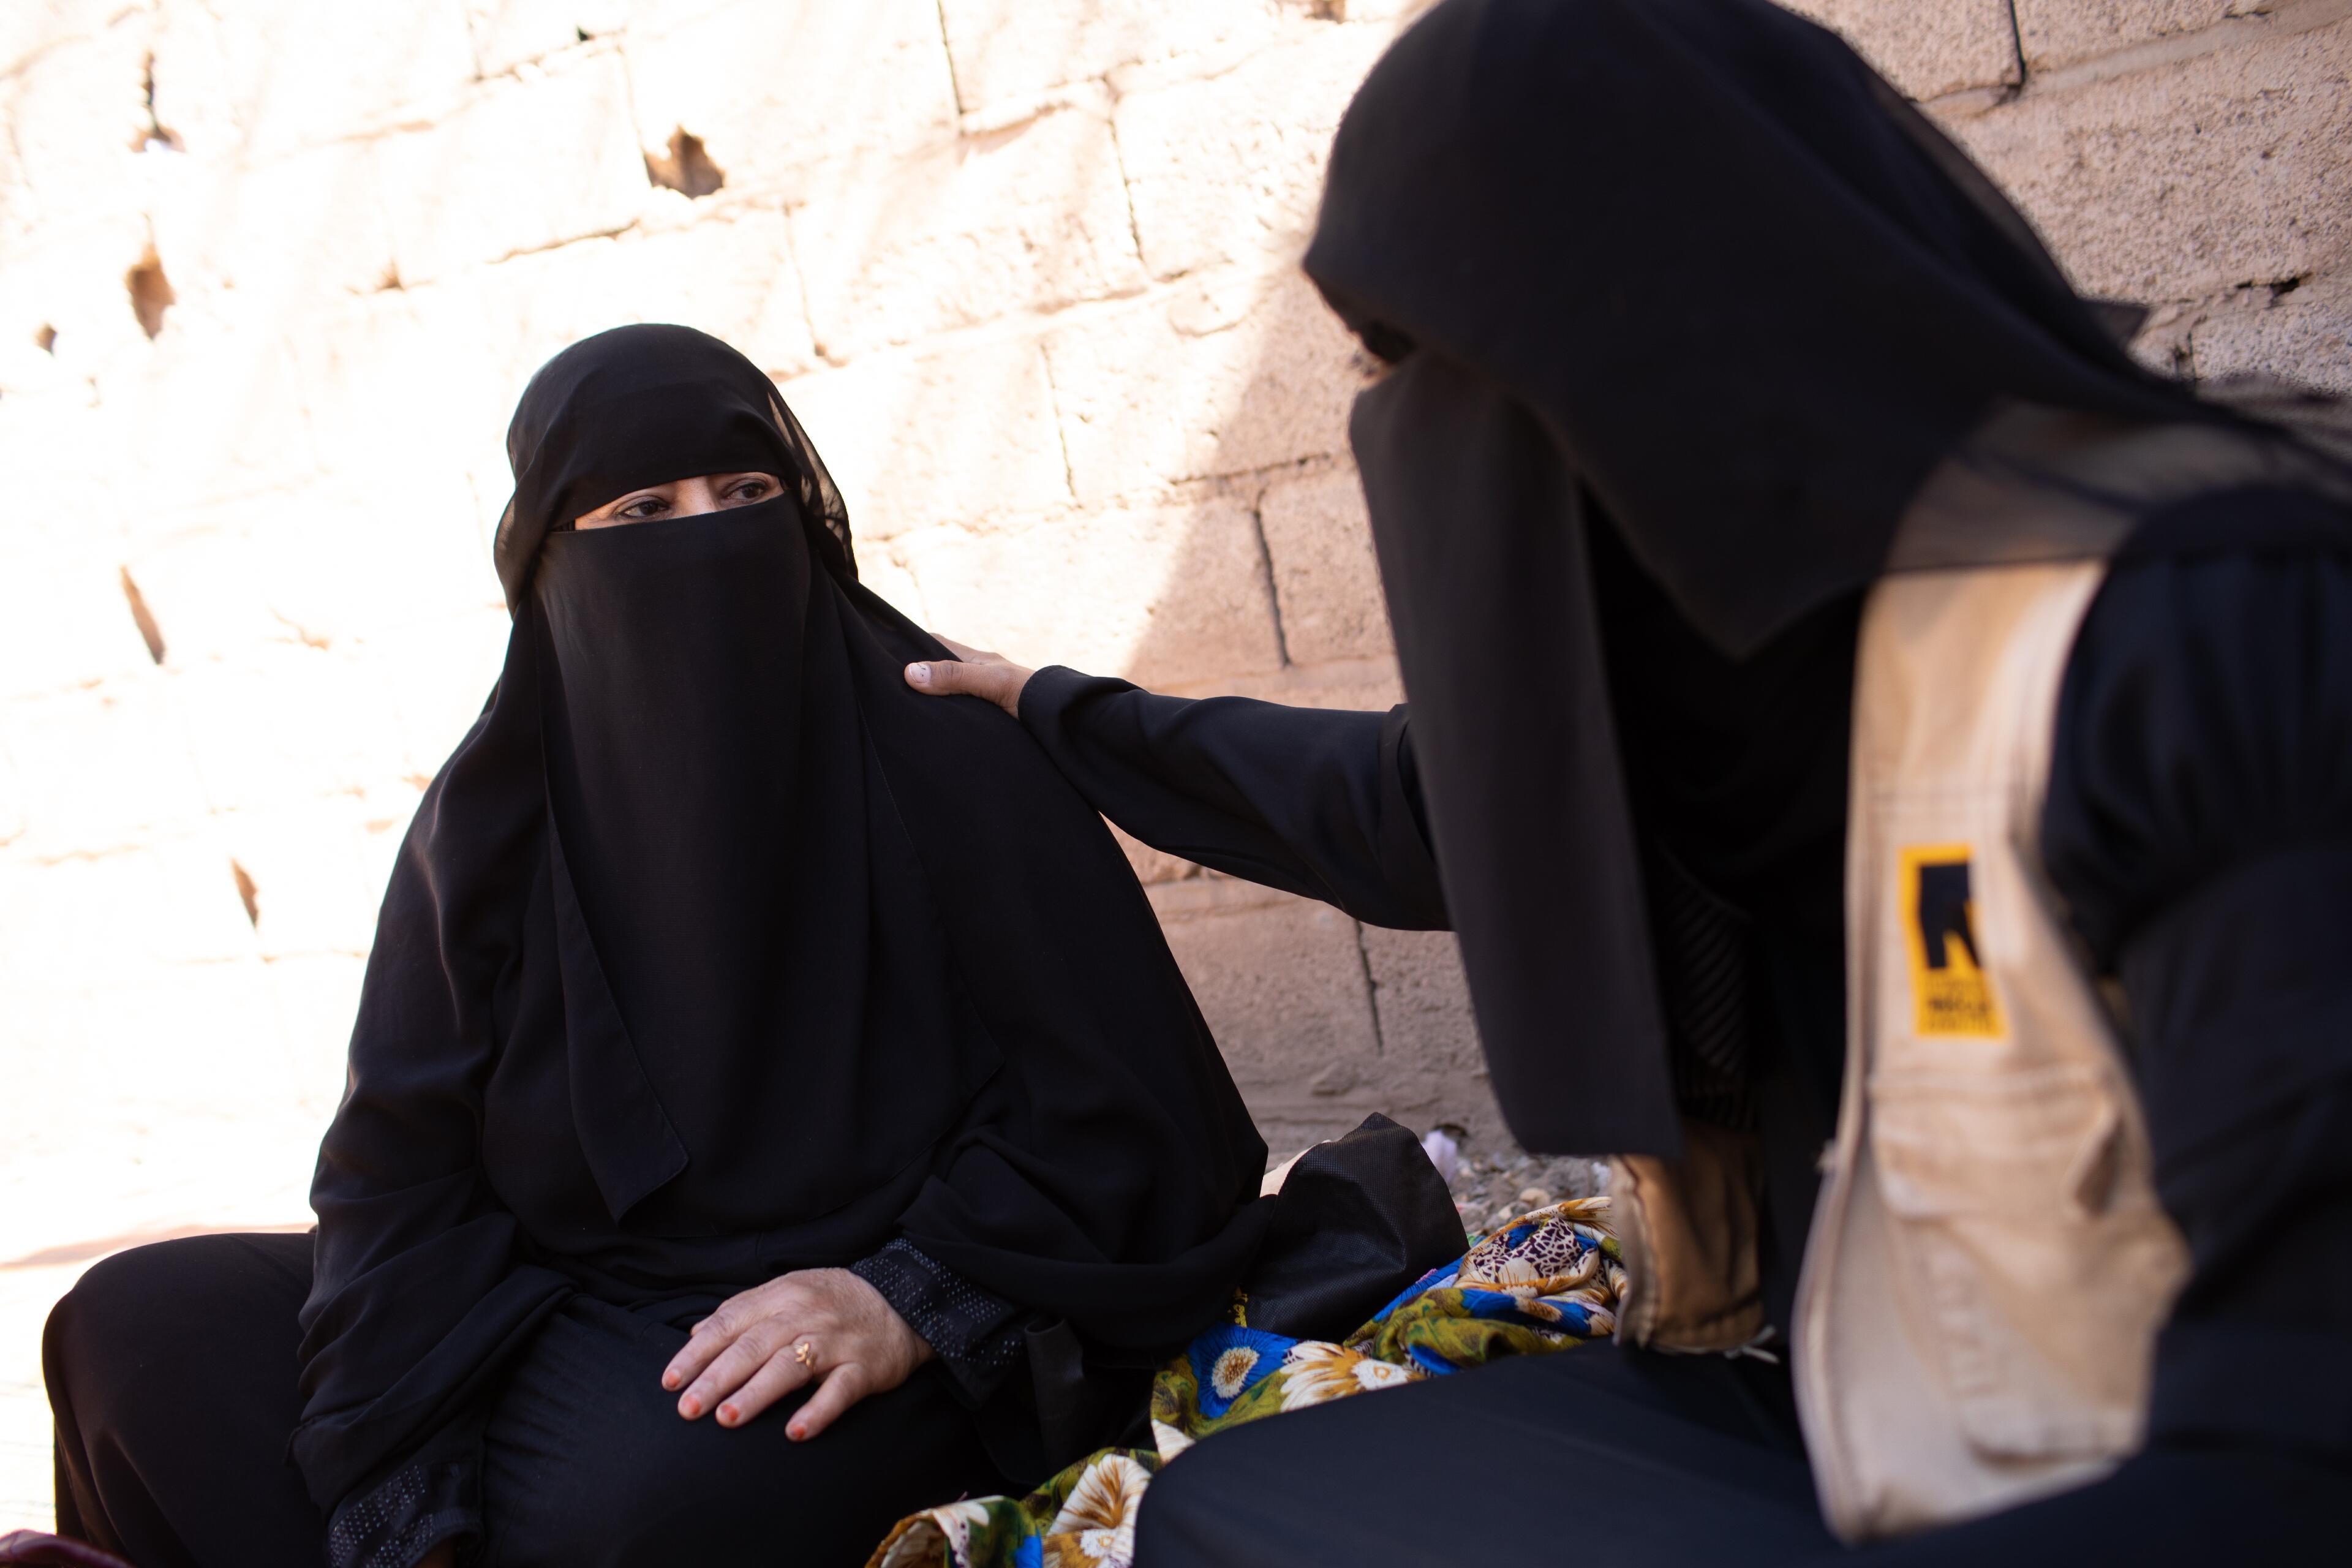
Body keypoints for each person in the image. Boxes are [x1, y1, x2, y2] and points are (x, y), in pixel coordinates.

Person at [903, 0, 2352, 1560]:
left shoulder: (2202, 632)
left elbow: (2300, 1426)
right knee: (1231, 1510)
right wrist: (1061, 712)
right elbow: (1400, 805)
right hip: (1848, 1401)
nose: (1405, 430)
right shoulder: (1722, 681)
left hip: (2120, 1466)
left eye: (1418, 359)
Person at [44, 325, 1273, 1568]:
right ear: (552, 564)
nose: (708, 538)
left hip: (848, 1317)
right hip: (551, 1298)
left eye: (748, 496)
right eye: (644, 508)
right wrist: (399, 1453)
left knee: (636, 1508)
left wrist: (907, 1296)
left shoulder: (948, 754)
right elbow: (396, 1169)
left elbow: (1143, 1115)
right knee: (133, 1330)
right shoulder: (494, 822)